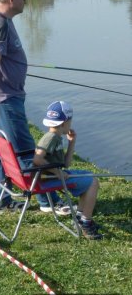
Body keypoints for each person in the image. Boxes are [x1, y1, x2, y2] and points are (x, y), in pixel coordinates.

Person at [0, 0, 67, 215]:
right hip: (5, 99)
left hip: (6, 97)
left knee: (2, 152)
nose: (25, 1)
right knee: (28, 151)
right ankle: (49, 201)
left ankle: (1, 202)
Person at [33, 101, 103, 240]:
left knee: (90, 177)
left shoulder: (56, 137)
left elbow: (66, 164)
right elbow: (37, 159)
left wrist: (71, 142)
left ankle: (79, 218)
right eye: (70, 122)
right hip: (50, 179)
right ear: (65, 122)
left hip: (54, 176)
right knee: (93, 182)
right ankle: (85, 222)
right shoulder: (50, 138)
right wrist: (58, 173)